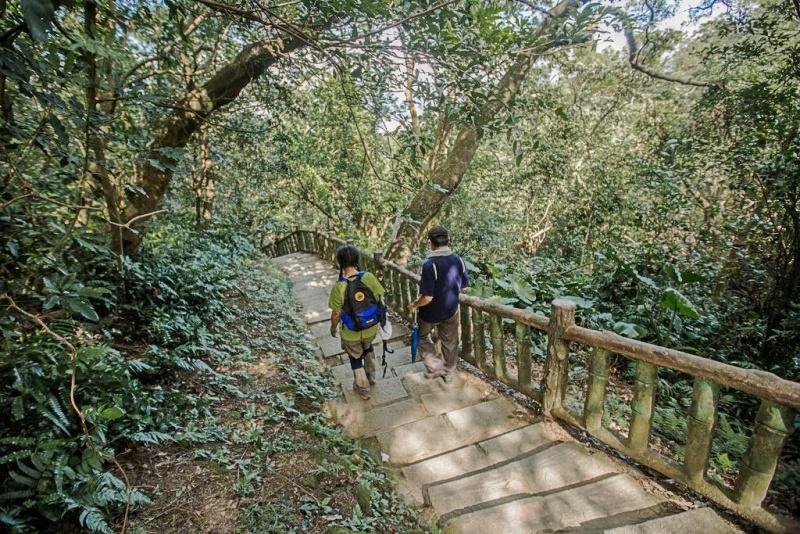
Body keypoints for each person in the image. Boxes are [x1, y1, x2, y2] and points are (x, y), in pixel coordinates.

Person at [407, 225, 469, 383]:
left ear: (431, 243)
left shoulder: (430, 264)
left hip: (429, 313)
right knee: (450, 341)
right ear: (448, 240)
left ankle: (435, 367)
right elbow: (464, 287)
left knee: (422, 337)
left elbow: (427, 297)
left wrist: (414, 304)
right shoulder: (458, 260)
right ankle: (448, 372)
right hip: (451, 310)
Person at [329, 245, 386, 400]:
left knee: (355, 358)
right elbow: (380, 298)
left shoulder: (339, 287)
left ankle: (363, 389)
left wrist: (333, 328)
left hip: (351, 331)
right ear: (356, 260)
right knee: (367, 347)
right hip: (370, 326)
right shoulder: (368, 277)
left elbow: (336, 313)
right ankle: (372, 377)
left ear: (340, 262)